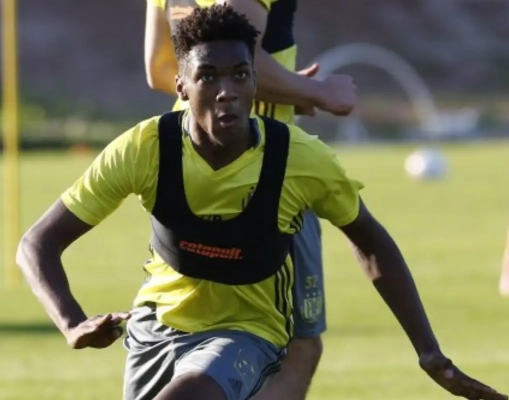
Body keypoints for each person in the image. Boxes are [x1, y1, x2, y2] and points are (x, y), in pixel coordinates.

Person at [16, 5, 508, 400]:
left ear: (256, 80)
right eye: (208, 77)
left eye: (240, 75)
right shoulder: (144, 149)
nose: (226, 92)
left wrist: (429, 354)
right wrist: (71, 322)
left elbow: (372, 242)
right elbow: (37, 243)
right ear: (181, 85)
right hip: (156, 327)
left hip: (248, 331)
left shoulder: (300, 159)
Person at [143, 1, 356, 398]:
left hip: (188, 165)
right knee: (297, 347)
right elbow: (247, 59)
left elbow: (160, 70)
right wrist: (319, 91)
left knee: (194, 331)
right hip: (267, 169)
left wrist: (288, 89)